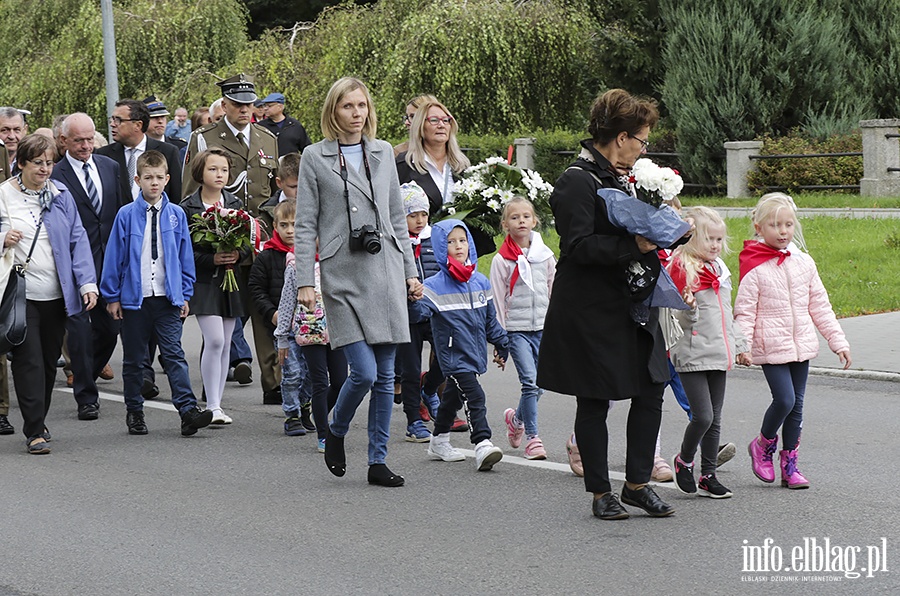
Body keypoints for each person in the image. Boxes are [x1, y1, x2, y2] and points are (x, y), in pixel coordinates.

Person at [537, 88, 676, 521]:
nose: (643, 148)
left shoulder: (624, 176)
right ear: (620, 136)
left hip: (634, 302)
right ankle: (600, 492)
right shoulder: (576, 179)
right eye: (642, 139)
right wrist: (633, 242)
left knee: (651, 389)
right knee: (595, 400)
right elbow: (577, 247)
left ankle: (637, 485)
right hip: (592, 309)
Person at [295, 76, 422, 488]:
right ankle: (335, 426)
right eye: (348, 107)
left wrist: (410, 271)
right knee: (363, 373)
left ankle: (377, 461)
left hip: (384, 268)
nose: (356, 114)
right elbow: (304, 224)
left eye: (362, 106)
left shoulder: (384, 152)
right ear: (334, 111)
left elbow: (397, 218)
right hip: (341, 275)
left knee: (387, 376)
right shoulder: (314, 156)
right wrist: (303, 281)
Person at [735, 193, 851, 489]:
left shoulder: (804, 263)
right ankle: (762, 445)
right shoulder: (755, 267)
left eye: (788, 224)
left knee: (797, 406)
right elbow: (745, 312)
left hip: (801, 345)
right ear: (759, 228)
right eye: (775, 225)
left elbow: (820, 306)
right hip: (769, 346)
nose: (783, 231)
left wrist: (838, 341)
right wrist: (742, 345)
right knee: (784, 399)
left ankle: (790, 465)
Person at [100, 150, 213, 437]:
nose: (154, 183)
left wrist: (185, 292)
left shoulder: (176, 215)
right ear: (137, 180)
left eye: (159, 178)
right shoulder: (126, 215)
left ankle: (187, 411)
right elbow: (114, 257)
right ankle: (134, 411)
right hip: (135, 299)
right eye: (148, 178)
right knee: (136, 360)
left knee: (174, 354)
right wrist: (112, 296)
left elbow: (184, 257)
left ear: (167, 179)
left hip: (167, 297)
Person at [183, 74, 280, 402]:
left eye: (249, 104)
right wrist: (207, 240)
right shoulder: (204, 137)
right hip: (219, 241)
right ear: (224, 105)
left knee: (265, 311)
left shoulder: (267, 138)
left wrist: (265, 228)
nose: (244, 109)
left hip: (259, 239)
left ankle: (273, 383)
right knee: (219, 322)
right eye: (237, 104)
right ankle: (211, 391)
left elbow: (272, 191)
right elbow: (190, 195)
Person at [0, 134, 98, 454]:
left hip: (57, 293)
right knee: (28, 360)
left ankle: (38, 420)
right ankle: (33, 431)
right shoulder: (4, 195)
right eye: (38, 163)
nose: (45, 169)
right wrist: (3, 238)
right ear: (21, 164)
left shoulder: (60, 194)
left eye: (50, 163)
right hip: (21, 290)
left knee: (46, 360)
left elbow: (77, 239)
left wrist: (86, 283)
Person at [411, 220, 509, 471]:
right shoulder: (433, 286)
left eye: (462, 241)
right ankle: (482, 443)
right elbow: (418, 315)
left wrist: (501, 343)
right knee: (475, 395)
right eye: (450, 242)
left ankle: (439, 440)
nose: (458, 246)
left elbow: (490, 322)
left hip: (473, 354)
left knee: (452, 399)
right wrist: (413, 299)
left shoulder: (481, 282)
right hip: (452, 357)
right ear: (441, 247)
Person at [666, 206, 748, 498]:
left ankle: (709, 475)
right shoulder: (680, 268)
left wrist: (739, 345)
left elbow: (726, 314)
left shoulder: (718, 270)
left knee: (715, 417)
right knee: (702, 416)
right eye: (709, 239)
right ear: (690, 238)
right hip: (692, 353)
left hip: (718, 351)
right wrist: (689, 307)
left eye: (718, 240)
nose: (715, 245)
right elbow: (677, 319)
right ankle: (684, 461)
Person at [53, 113, 124, 421]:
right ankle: (86, 397)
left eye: (90, 138)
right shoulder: (55, 175)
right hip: (75, 266)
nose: (86, 146)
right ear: (63, 141)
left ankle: (85, 376)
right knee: (80, 333)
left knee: (110, 330)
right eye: (78, 140)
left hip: (109, 264)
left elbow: (119, 214)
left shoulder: (110, 167)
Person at [181, 148, 252, 425]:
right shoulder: (188, 207)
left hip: (230, 280)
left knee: (224, 345)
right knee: (216, 340)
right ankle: (211, 405)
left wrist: (237, 254)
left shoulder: (235, 203)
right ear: (200, 172)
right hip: (203, 281)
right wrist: (212, 258)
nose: (219, 174)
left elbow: (248, 241)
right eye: (213, 169)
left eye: (223, 169)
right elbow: (183, 250)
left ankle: (217, 404)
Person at [276, 208, 347, 450]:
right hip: (310, 332)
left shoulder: (339, 262)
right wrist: (282, 339)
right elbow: (286, 303)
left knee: (340, 381)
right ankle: (323, 434)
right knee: (319, 382)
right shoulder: (296, 266)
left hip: (338, 331)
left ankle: (318, 412)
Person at [490, 196, 555, 460]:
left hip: (543, 328)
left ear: (534, 221)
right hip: (516, 331)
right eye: (514, 217)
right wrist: (500, 340)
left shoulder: (546, 256)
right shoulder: (501, 261)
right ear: (505, 224)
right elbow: (496, 300)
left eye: (526, 216)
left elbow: (555, 291)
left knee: (541, 385)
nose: (521, 221)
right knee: (530, 383)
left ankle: (516, 420)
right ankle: (533, 439)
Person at [249, 197, 307, 419]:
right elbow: (256, 289)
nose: (290, 230)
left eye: (295, 224)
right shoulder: (266, 257)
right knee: (291, 371)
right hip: (282, 323)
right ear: (275, 226)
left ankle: (306, 405)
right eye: (284, 225)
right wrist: (272, 313)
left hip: (309, 324)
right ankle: (292, 413)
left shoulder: (310, 255)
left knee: (309, 373)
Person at [395, 182, 441, 443]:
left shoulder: (435, 239)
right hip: (406, 315)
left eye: (423, 214)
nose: (420, 220)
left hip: (434, 313)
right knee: (409, 371)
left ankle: (430, 388)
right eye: (412, 215)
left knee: (447, 360)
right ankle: (413, 420)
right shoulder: (396, 243)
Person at [96, 99, 182, 204]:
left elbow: (176, 195)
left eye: (118, 120)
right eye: (112, 119)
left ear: (138, 125)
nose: (113, 124)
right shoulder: (103, 155)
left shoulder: (168, 152)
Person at [257, 92, 313, 157]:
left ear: (280, 107)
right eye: (265, 105)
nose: (265, 108)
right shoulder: (260, 126)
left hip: (290, 165)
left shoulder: (295, 125)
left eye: (269, 106)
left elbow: (306, 149)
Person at [258, 152, 300, 235]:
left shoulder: (320, 206)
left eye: (304, 186)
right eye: (293, 187)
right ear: (279, 183)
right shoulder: (268, 212)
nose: (299, 192)